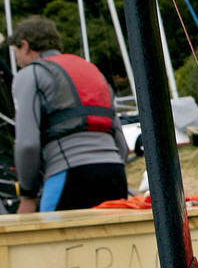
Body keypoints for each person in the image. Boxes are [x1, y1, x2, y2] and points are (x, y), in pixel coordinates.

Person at [8, 16, 129, 213]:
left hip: (68, 175)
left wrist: (28, 195)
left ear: (25, 46)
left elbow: (27, 144)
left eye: (16, 53)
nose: (18, 61)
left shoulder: (31, 74)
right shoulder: (93, 71)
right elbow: (120, 142)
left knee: (51, 234)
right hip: (114, 173)